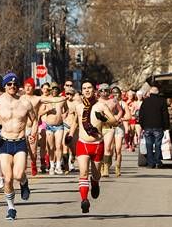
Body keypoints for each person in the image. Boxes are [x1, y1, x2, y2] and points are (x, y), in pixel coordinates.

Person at [0, 72, 38, 220]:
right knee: (7, 179)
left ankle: (24, 182)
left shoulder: (25, 103)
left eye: (15, 84)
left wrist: (33, 134)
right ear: (4, 86)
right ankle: (11, 208)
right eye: (9, 84)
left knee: (18, 175)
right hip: (4, 143)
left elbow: (34, 121)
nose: (12, 86)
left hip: (20, 141)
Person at [66, 79, 118, 213]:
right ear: (82, 91)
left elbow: (114, 121)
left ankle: (95, 183)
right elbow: (75, 123)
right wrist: (70, 135)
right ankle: (84, 200)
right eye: (84, 88)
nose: (87, 90)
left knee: (96, 174)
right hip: (82, 144)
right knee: (83, 173)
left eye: (89, 88)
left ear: (94, 90)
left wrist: (103, 118)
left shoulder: (101, 106)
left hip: (97, 145)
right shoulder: (78, 107)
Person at [138, 86, 170, 169]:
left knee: (149, 145)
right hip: (158, 127)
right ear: (158, 93)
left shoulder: (145, 101)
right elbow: (165, 115)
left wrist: (142, 125)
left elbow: (141, 115)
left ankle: (150, 163)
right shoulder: (162, 101)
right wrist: (166, 126)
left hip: (147, 127)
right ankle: (157, 161)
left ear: (150, 93)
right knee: (158, 144)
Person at [40, 82, 68, 175]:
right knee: (51, 147)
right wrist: (48, 110)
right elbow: (40, 112)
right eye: (53, 89)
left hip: (59, 126)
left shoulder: (62, 99)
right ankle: (51, 165)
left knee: (59, 146)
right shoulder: (46, 100)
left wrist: (64, 115)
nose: (54, 90)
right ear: (50, 90)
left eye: (56, 89)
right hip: (49, 127)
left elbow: (66, 109)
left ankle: (58, 166)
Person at [20, 77, 41, 176]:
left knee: (33, 151)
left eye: (30, 86)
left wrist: (62, 98)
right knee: (23, 151)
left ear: (33, 87)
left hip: (32, 127)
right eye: (26, 86)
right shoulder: (20, 98)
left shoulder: (37, 99)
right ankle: (23, 169)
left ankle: (33, 164)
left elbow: (49, 99)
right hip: (22, 128)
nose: (28, 88)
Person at [62, 88, 78, 173]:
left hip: (74, 127)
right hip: (65, 125)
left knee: (73, 148)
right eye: (67, 94)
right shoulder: (63, 102)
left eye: (71, 94)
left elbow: (78, 116)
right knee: (65, 146)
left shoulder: (77, 103)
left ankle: (73, 156)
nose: (69, 96)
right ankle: (66, 167)